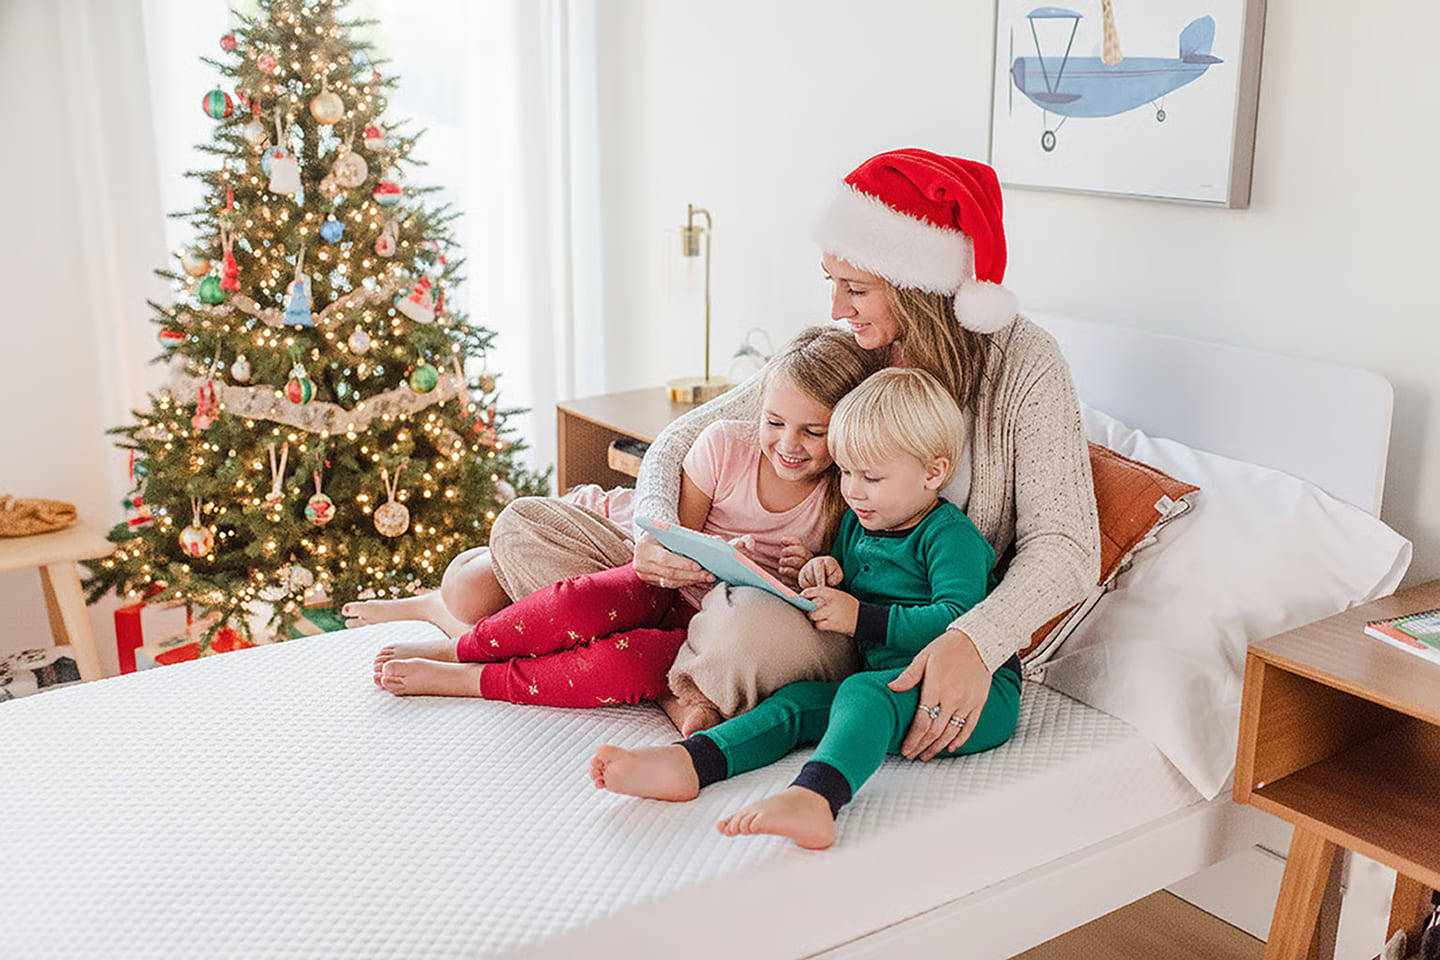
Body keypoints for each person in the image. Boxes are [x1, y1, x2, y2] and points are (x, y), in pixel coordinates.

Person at [350, 148, 1099, 756]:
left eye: (856, 288)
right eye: (830, 283)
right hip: (744, 572)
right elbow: (681, 436)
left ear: (921, 286)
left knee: (736, 630)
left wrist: (975, 638)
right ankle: (661, 647)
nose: (835, 308)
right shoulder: (850, 350)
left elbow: (1066, 546)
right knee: (487, 569)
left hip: (839, 618)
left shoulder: (1023, 366)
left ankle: (661, 654)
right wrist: (651, 531)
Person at [589, 368, 1021, 850]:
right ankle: (691, 762)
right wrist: (824, 569)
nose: (854, 491)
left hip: (974, 694)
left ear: (934, 473)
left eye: (871, 477)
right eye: (847, 473)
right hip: (890, 679)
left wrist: (860, 617)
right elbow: (855, 576)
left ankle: (817, 798)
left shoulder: (949, 537)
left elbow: (959, 620)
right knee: (795, 702)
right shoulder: (862, 522)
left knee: (861, 694)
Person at [372, 326, 881, 727]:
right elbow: (668, 550)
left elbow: (822, 585)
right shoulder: (726, 443)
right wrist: (723, 550)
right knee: (480, 581)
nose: (788, 444)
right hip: (658, 580)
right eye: (774, 423)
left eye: (812, 432)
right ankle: (451, 632)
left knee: (625, 663)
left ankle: (470, 676)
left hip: (709, 622)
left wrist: (809, 570)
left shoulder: (844, 492)